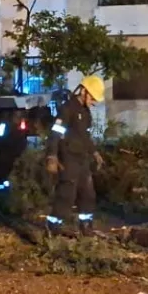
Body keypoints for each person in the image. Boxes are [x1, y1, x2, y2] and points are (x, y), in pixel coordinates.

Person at [45, 75, 104, 236]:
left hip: (82, 158)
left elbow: (85, 136)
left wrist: (95, 152)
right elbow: (55, 133)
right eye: (92, 97)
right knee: (67, 194)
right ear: (84, 91)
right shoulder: (67, 109)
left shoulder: (86, 112)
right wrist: (52, 156)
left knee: (88, 193)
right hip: (68, 158)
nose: (94, 102)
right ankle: (52, 227)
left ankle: (86, 226)